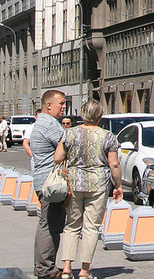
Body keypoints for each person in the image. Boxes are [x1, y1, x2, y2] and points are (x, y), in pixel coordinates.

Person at [53, 99, 123, 279]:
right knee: (91, 227)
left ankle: (67, 267)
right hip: (98, 184)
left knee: (72, 225)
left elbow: (58, 157)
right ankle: (84, 270)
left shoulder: (70, 134)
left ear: (82, 115)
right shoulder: (108, 136)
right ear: (99, 116)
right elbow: (114, 164)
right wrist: (118, 186)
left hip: (74, 183)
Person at [30, 89, 68, 279]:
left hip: (43, 181)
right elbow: (68, 145)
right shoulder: (50, 125)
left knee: (47, 224)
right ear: (49, 105)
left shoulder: (41, 123)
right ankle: (46, 269)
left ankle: (44, 266)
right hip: (51, 185)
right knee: (50, 225)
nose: (64, 107)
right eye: (61, 103)